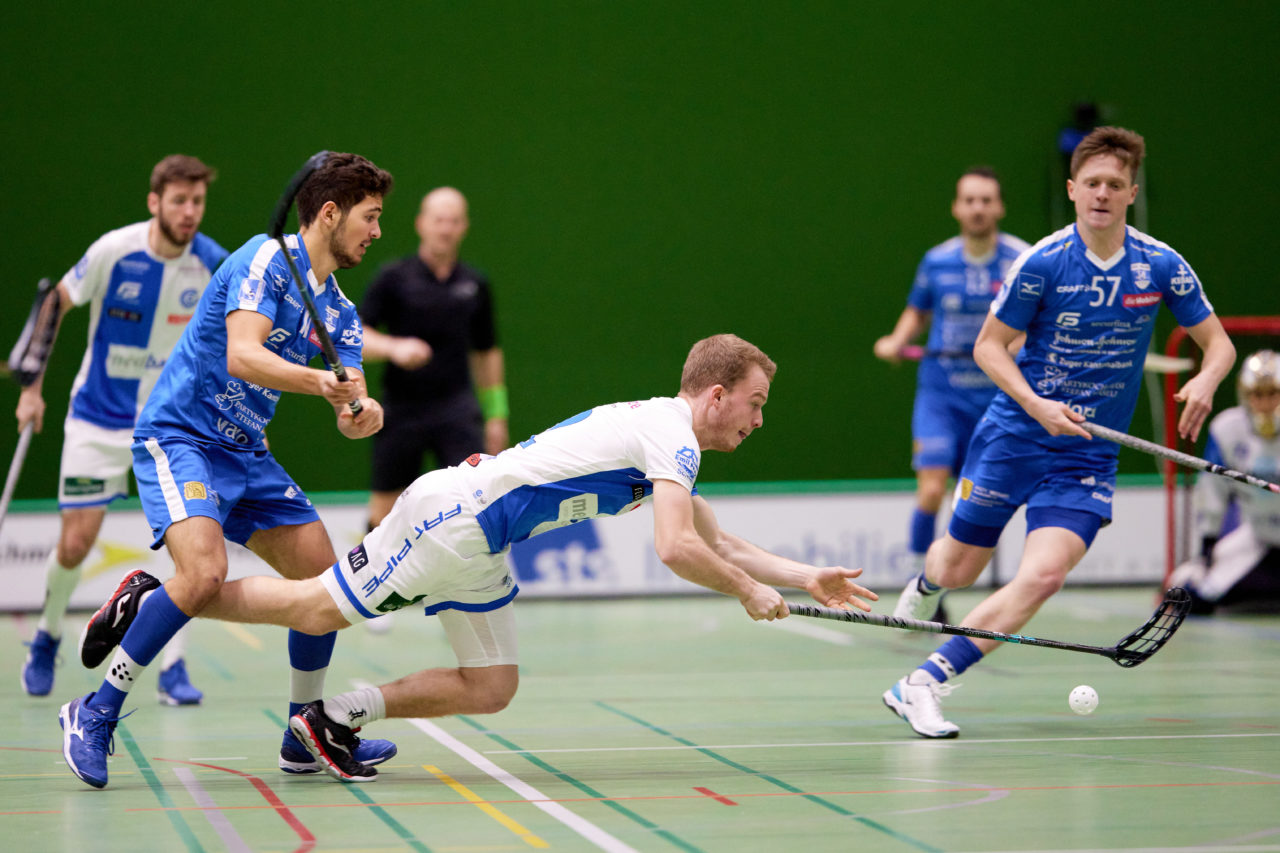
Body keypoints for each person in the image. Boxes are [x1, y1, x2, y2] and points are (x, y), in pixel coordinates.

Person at [83, 334, 879, 782]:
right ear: (715, 396)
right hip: (452, 523)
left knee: (493, 684)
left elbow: (716, 537)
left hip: (483, 546)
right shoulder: (669, 435)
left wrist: (805, 575)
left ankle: (333, 717)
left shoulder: (667, 448)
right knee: (313, 606)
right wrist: (744, 591)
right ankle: (161, 592)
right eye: (756, 403)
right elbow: (679, 549)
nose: (758, 420)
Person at [882, 126, 1236, 738]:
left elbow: (1220, 346)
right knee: (960, 568)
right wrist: (1036, 403)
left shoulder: (1161, 265)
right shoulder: (1041, 261)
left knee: (1043, 576)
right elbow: (989, 348)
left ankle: (923, 682)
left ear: (1131, 192)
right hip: (1015, 434)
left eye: (1115, 185)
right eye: (1092, 183)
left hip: (1086, 457)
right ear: (1074, 190)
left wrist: (1206, 380)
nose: (1103, 194)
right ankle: (927, 582)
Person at [56, 152, 394, 789]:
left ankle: (304, 732)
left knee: (326, 585)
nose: (376, 231)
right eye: (370, 217)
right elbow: (243, 356)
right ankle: (95, 710)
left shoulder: (340, 309)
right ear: (330, 213)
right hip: (180, 436)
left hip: (246, 451)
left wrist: (362, 411)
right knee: (205, 572)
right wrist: (324, 382)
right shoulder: (263, 260)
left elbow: (352, 403)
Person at [17, 155, 227, 702]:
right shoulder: (115, 249)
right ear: (155, 201)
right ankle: (47, 634)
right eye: (179, 200)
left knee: (188, 554)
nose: (189, 212)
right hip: (96, 419)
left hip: (168, 428)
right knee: (75, 543)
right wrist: (32, 388)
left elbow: (233, 344)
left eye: (197, 202)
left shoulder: (212, 265)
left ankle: (171, 668)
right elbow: (54, 303)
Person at [873, 168, 1030, 606]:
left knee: (971, 498)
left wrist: (1017, 347)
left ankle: (943, 576)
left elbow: (1034, 320)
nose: (978, 208)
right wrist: (896, 342)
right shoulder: (936, 260)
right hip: (941, 393)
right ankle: (919, 582)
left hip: (996, 397)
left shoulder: (1024, 259)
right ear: (957, 208)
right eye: (969, 200)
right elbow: (917, 312)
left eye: (986, 200)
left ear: (998, 207)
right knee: (930, 490)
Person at [359, 186, 509, 532]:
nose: (446, 228)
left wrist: (497, 416)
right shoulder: (393, 279)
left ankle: (467, 584)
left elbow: (487, 352)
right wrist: (394, 348)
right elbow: (357, 337)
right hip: (401, 410)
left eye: (454, 221)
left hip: (457, 410)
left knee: (476, 503)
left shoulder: (475, 284)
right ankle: (374, 584)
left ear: (464, 227)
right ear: (421, 224)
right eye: (439, 220)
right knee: (385, 513)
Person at [1171, 349, 1280, 613]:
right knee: (1188, 592)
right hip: (1258, 537)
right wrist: (1204, 555)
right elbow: (1212, 494)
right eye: (1257, 395)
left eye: (1273, 394)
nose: (1264, 403)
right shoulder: (1227, 430)